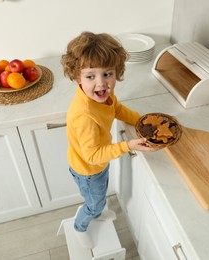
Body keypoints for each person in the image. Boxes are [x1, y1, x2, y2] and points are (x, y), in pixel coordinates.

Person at [61, 31, 159, 248]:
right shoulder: (85, 114)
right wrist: (128, 145)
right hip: (87, 169)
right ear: (77, 77)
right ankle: (81, 225)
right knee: (94, 203)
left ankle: (96, 209)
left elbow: (117, 109)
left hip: (97, 164)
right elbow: (93, 155)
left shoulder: (104, 96)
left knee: (99, 196)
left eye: (107, 74)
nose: (101, 83)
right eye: (90, 76)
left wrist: (140, 122)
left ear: (117, 72)